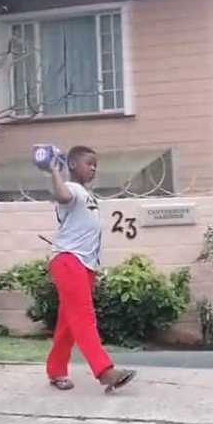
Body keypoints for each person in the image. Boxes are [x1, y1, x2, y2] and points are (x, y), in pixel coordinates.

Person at [46, 145, 136, 393]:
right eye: (89, 163)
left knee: (68, 322)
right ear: (73, 165)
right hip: (69, 260)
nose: (94, 168)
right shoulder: (72, 189)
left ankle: (56, 371)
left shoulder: (87, 194)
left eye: (96, 164)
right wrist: (54, 171)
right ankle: (105, 371)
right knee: (84, 317)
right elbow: (62, 196)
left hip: (84, 264)